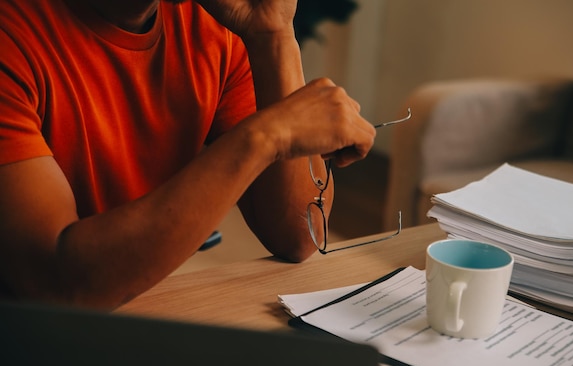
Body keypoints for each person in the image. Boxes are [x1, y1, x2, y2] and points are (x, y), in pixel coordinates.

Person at [0, 0, 377, 309]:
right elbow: (52, 285)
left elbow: (299, 235)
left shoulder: (215, 24)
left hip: (130, 310)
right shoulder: (13, 34)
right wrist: (265, 136)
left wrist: (274, 35)